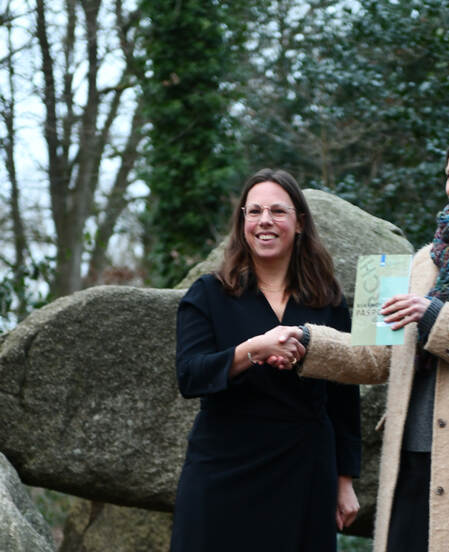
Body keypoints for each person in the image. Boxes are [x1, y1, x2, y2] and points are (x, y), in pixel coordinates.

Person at [265, 130, 449, 552]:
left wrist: (437, 316)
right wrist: (307, 341)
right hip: (408, 458)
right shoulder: (423, 262)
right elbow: (375, 356)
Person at [170, 168, 361, 552]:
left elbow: (344, 397)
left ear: (300, 222)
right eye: (254, 211)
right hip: (223, 467)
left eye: (278, 211)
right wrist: (253, 349)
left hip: (304, 467)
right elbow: (190, 376)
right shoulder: (208, 293)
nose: (265, 222)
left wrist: (345, 481)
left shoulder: (328, 300)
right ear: (242, 221)